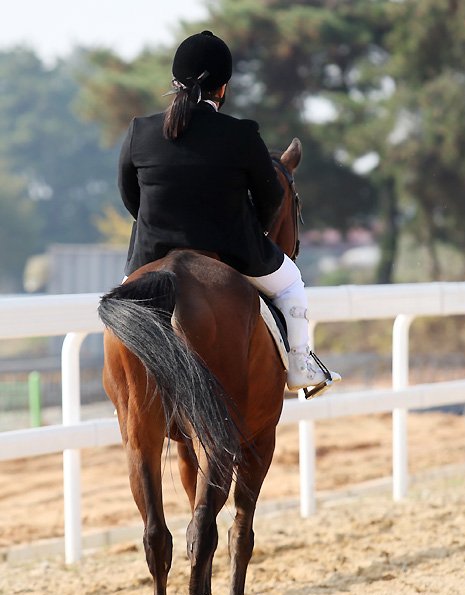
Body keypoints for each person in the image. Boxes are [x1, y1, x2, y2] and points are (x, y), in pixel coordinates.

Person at [118, 30, 340, 394]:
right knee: (292, 285)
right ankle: (301, 366)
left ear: (175, 83)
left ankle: (125, 391)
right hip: (233, 251)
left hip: (150, 253)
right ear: (223, 88)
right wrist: (252, 231)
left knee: (123, 311)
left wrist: (160, 229)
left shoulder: (140, 131)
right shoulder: (241, 135)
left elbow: (131, 198)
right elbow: (270, 199)